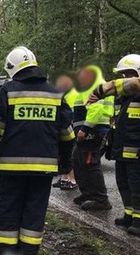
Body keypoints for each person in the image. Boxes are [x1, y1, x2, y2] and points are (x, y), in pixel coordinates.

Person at [0, 46, 74, 255]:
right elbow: (67, 134)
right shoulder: (55, 93)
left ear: (12, 68)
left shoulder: (8, 91)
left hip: (12, 169)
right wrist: (66, 162)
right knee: (35, 210)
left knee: (9, 208)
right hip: (43, 170)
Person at [93, 55, 140, 236]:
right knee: (124, 184)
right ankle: (129, 215)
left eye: (128, 74)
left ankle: (138, 220)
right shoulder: (123, 98)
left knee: (137, 187)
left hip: (136, 151)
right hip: (122, 150)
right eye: (122, 75)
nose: (124, 78)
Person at [71, 65, 114, 211]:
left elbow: (96, 108)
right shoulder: (89, 86)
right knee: (78, 160)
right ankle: (88, 193)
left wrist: (85, 129)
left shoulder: (95, 85)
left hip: (93, 130)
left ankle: (101, 199)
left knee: (90, 163)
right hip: (89, 130)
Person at [53, 74, 78, 190]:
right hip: (67, 125)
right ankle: (64, 178)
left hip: (69, 126)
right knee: (63, 155)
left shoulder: (73, 93)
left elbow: (68, 113)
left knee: (68, 155)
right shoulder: (65, 94)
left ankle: (71, 179)